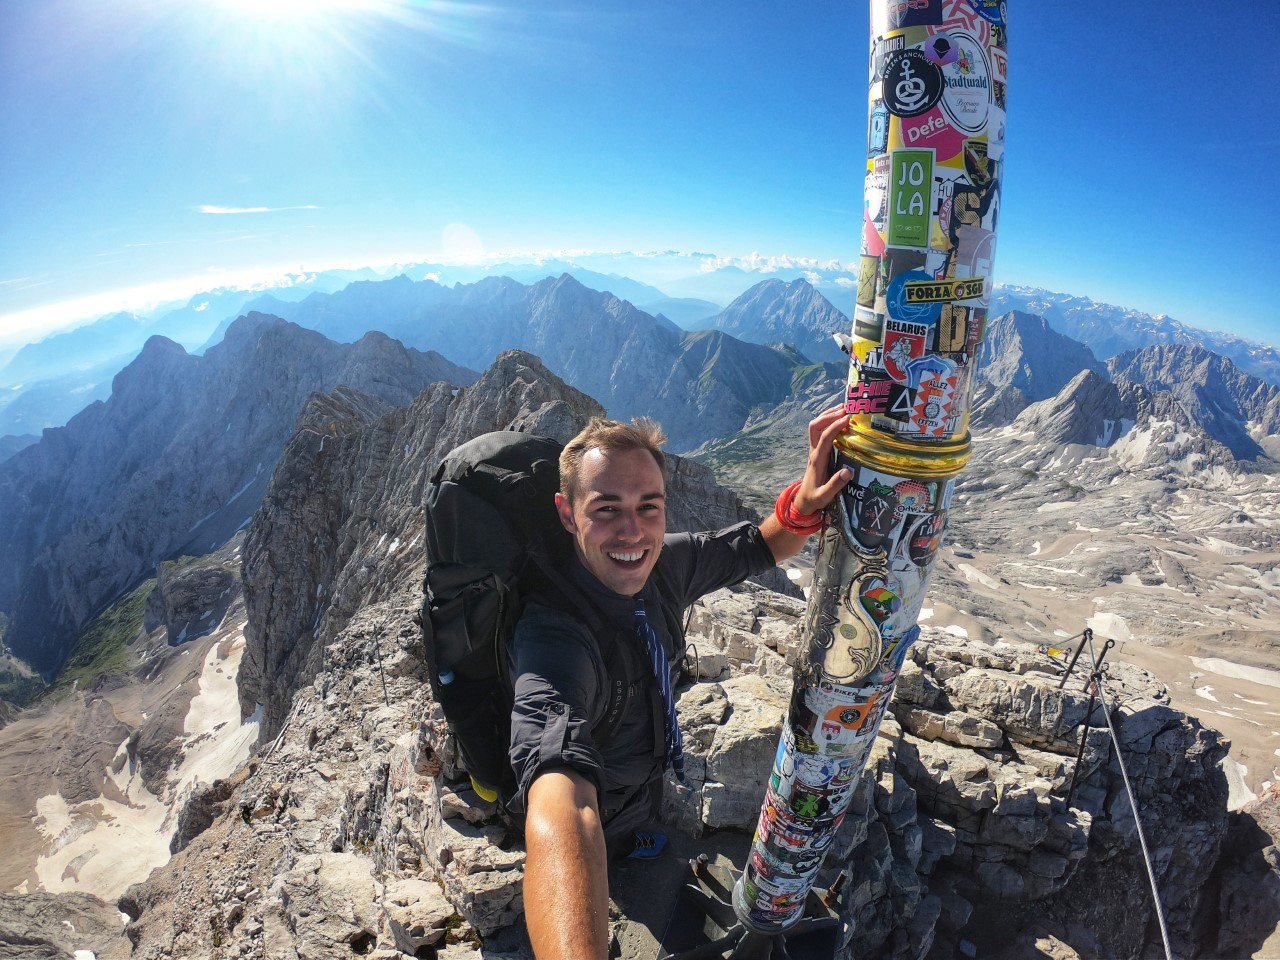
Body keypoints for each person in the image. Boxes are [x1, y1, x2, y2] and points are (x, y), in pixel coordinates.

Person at [507, 405, 853, 960]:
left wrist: (804, 503)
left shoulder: (664, 565)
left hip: (642, 789)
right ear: (567, 514)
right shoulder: (553, 635)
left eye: (649, 506)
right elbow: (561, 796)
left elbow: (763, 545)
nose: (632, 531)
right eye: (606, 509)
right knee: (609, 850)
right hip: (603, 808)